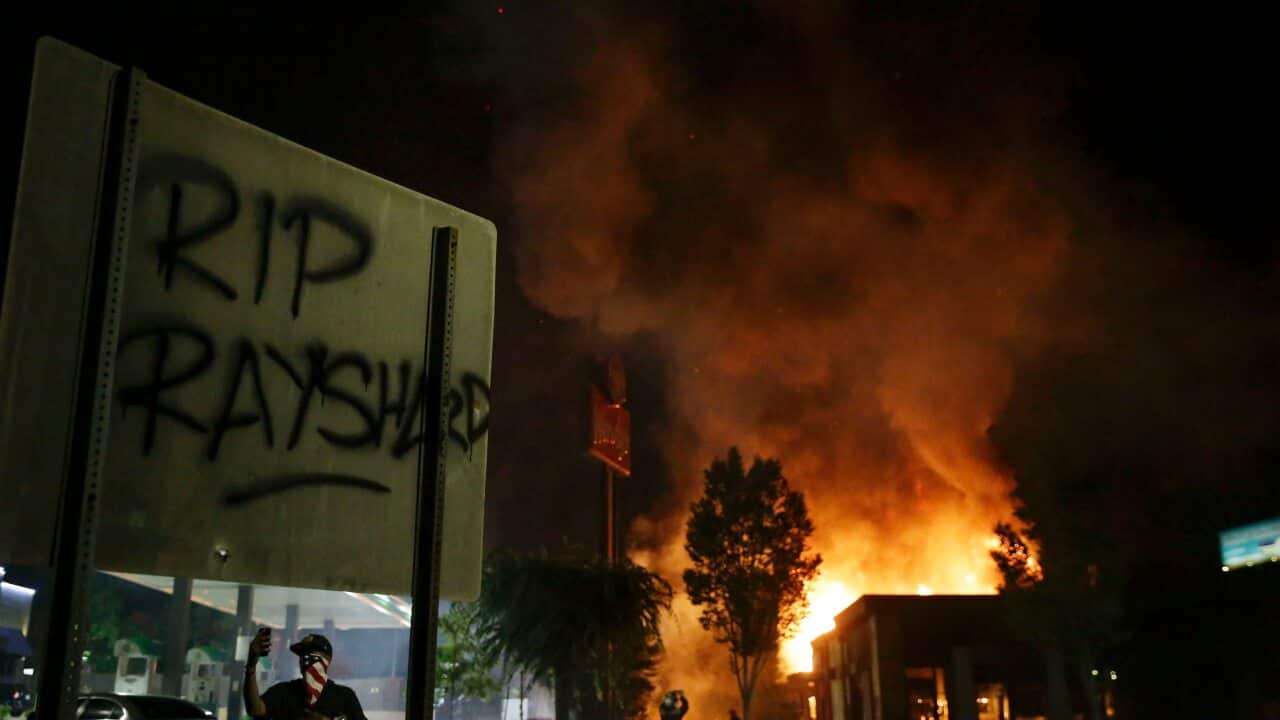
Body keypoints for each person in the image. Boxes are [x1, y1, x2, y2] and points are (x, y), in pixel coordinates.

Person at [243, 629, 367, 720]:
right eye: (302, 656)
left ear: (327, 659)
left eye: (312, 654)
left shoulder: (344, 696)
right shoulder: (284, 691)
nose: (305, 659)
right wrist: (251, 665)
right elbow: (256, 710)